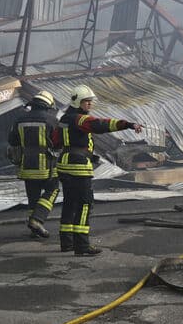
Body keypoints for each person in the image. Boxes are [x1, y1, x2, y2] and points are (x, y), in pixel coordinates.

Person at [54, 84, 143, 256]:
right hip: (78, 167)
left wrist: (86, 153)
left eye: (90, 101)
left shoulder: (64, 119)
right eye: (87, 101)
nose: (90, 104)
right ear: (78, 102)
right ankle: (82, 245)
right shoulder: (80, 119)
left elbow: (56, 141)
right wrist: (128, 124)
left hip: (65, 164)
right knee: (85, 203)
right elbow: (100, 125)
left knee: (70, 203)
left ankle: (67, 242)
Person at [7, 90, 60, 239]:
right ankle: (37, 220)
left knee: (33, 197)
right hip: (46, 166)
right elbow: (58, 143)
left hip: (26, 166)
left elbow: (12, 141)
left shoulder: (20, 120)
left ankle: (33, 230)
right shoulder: (52, 120)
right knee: (53, 190)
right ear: (47, 105)